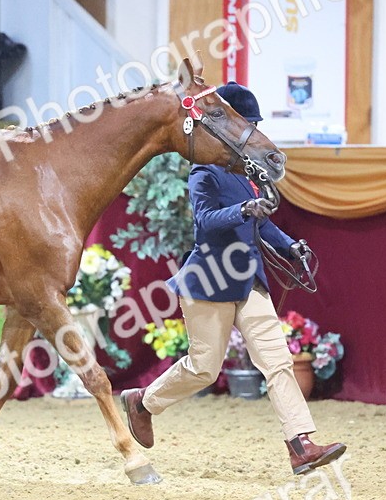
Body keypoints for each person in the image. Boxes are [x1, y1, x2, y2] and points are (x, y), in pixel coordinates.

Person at [120, 82, 346, 475]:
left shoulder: (247, 175)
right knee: (204, 368)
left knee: (278, 362)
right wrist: (244, 209)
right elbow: (206, 222)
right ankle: (144, 402)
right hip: (210, 280)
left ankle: (300, 445)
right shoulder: (202, 174)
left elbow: (262, 224)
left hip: (249, 280)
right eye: (247, 124)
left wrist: (290, 245)